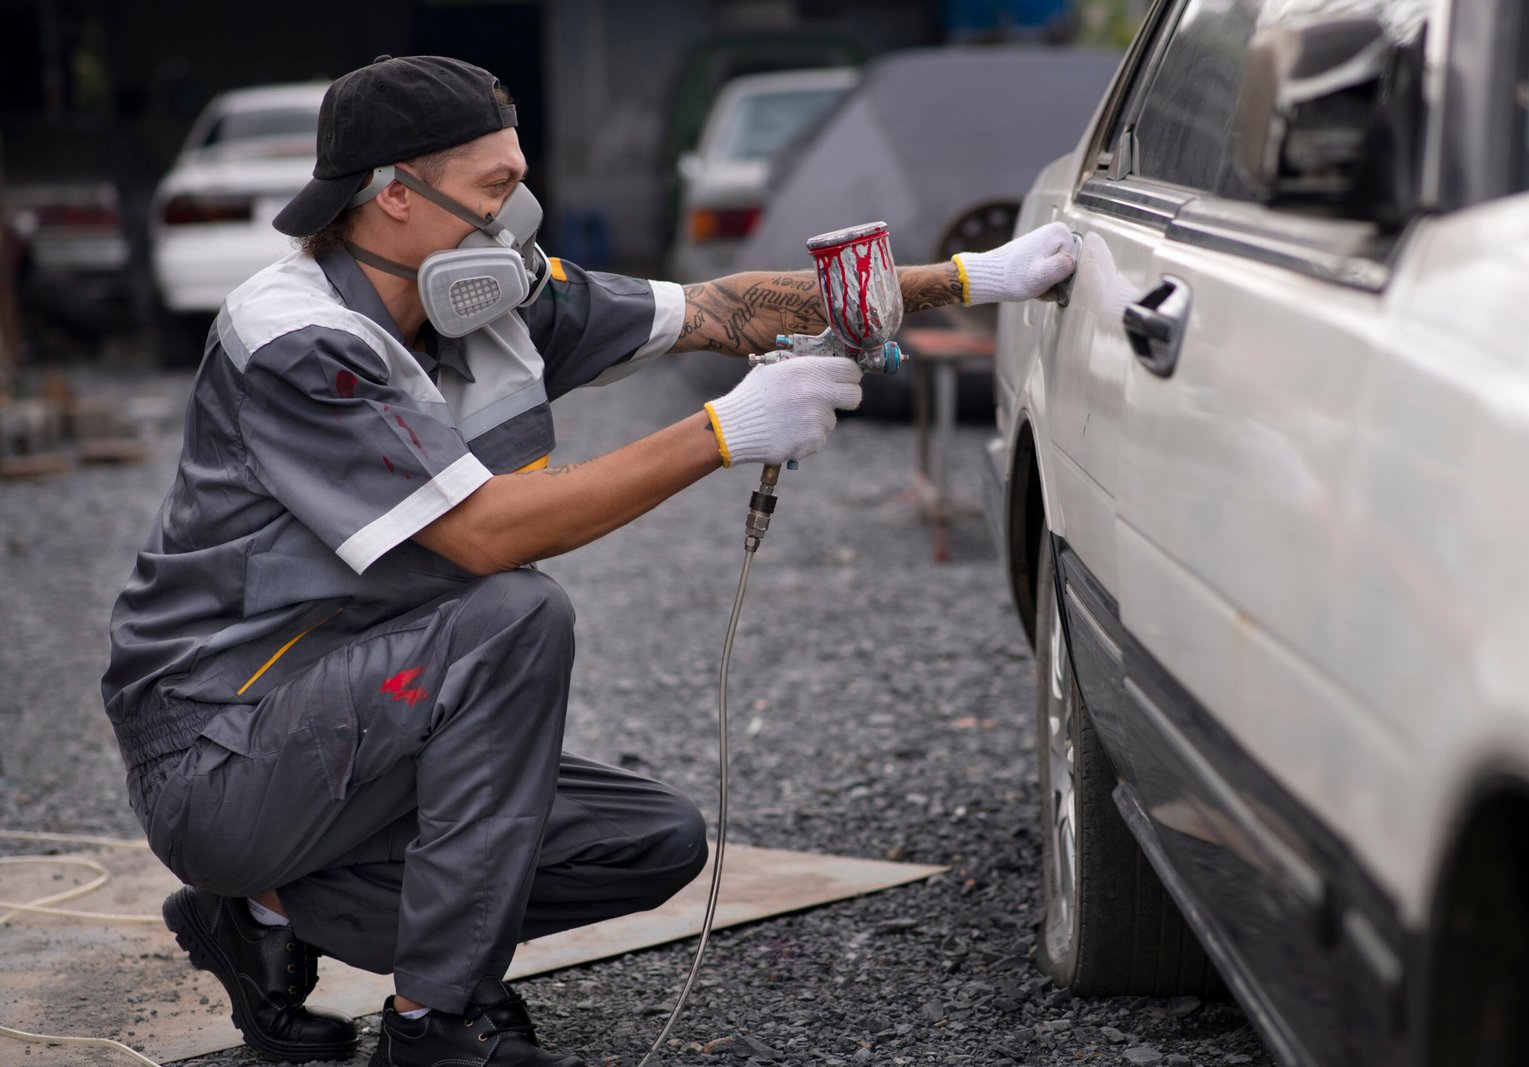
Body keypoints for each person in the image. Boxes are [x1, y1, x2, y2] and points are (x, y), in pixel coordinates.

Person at [101, 55, 1080, 1067]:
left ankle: (264, 918)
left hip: (372, 713)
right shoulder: (302, 339)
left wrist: (974, 279)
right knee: (513, 614)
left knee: (649, 840)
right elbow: (485, 533)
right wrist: (721, 431)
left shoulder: (482, 298)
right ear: (393, 195)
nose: (514, 214)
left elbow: (716, 308)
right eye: (489, 189)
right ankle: (437, 1019)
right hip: (222, 746)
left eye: (516, 179)